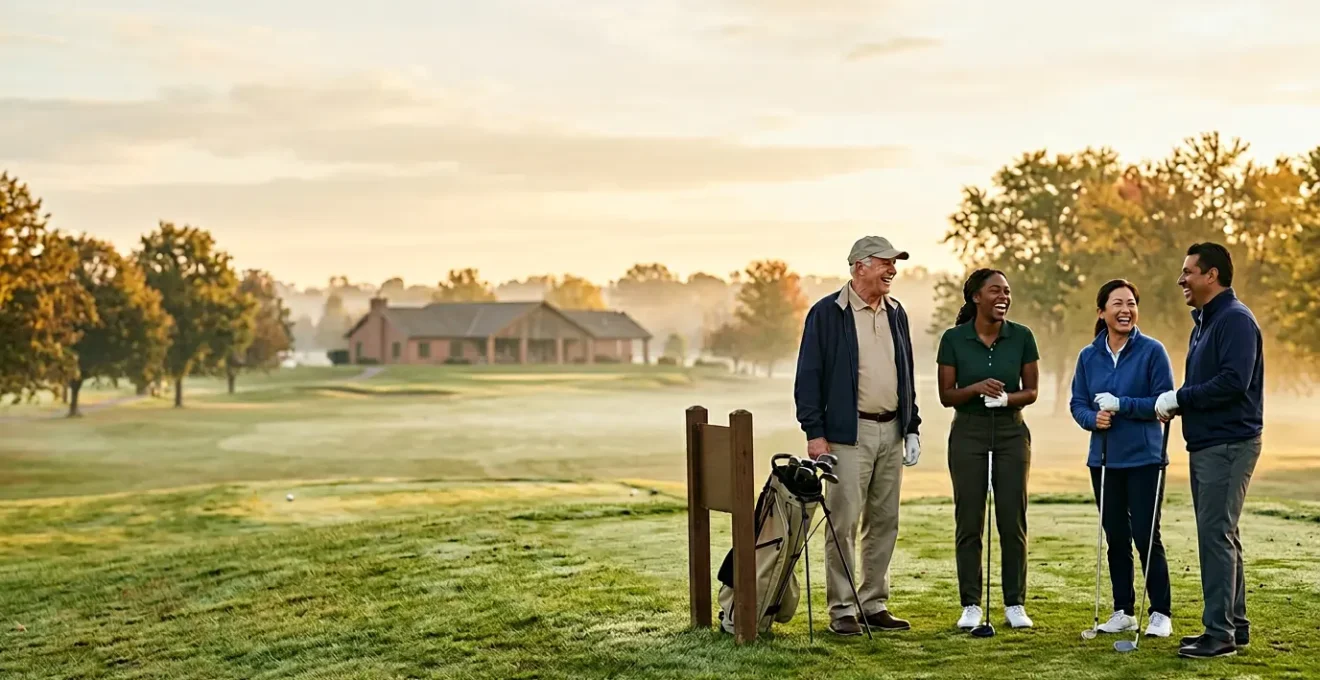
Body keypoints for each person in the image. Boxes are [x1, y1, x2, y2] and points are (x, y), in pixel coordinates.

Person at [793, 235, 922, 637]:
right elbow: (808, 377)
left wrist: (912, 425)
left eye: (894, 264)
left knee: (885, 521)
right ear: (860, 265)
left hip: (892, 429)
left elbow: (906, 373)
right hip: (848, 435)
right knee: (844, 521)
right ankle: (843, 609)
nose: (893, 270)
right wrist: (815, 434)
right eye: (886, 263)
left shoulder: (896, 313)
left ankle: (873, 603)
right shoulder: (827, 314)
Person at [1155, 242, 1265, 660]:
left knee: (1215, 536)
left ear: (1212, 275)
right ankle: (1233, 626)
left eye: (1189, 272)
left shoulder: (1234, 320)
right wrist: (1180, 403)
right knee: (1224, 533)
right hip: (1210, 442)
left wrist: (1179, 399)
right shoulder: (1206, 321)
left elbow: (1234, 381)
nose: (1182, 279)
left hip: (1228, 442)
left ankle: (1218, 634)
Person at [1069, 279, 1175, 639]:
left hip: (1144, 459)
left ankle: (1160, 612)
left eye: (1131, 303)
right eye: (1117, 303)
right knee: (1116, 537)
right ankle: (1123, 611)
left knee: (1146, 536)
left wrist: (1122, 405)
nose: (1125, 309)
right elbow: (1078, 403)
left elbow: (1164, 404)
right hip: (1103, 461)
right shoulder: (1088, 356)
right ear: (1102, 312)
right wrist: (1092, 419)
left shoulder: (1152, 351)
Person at [936, 268, 1039, 631]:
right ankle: (971, 605)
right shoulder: (953, 339)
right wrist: (978, 388)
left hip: (1012, 433)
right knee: (969, 521)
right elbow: (947, 395)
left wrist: (1007, 398)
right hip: (968, 434)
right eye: (995, 291)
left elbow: (1032, 391)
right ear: (976, 297)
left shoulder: (1022, 336)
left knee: (1012, 520)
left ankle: (1015, 603)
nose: (1003, 297)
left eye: (1007, 292)